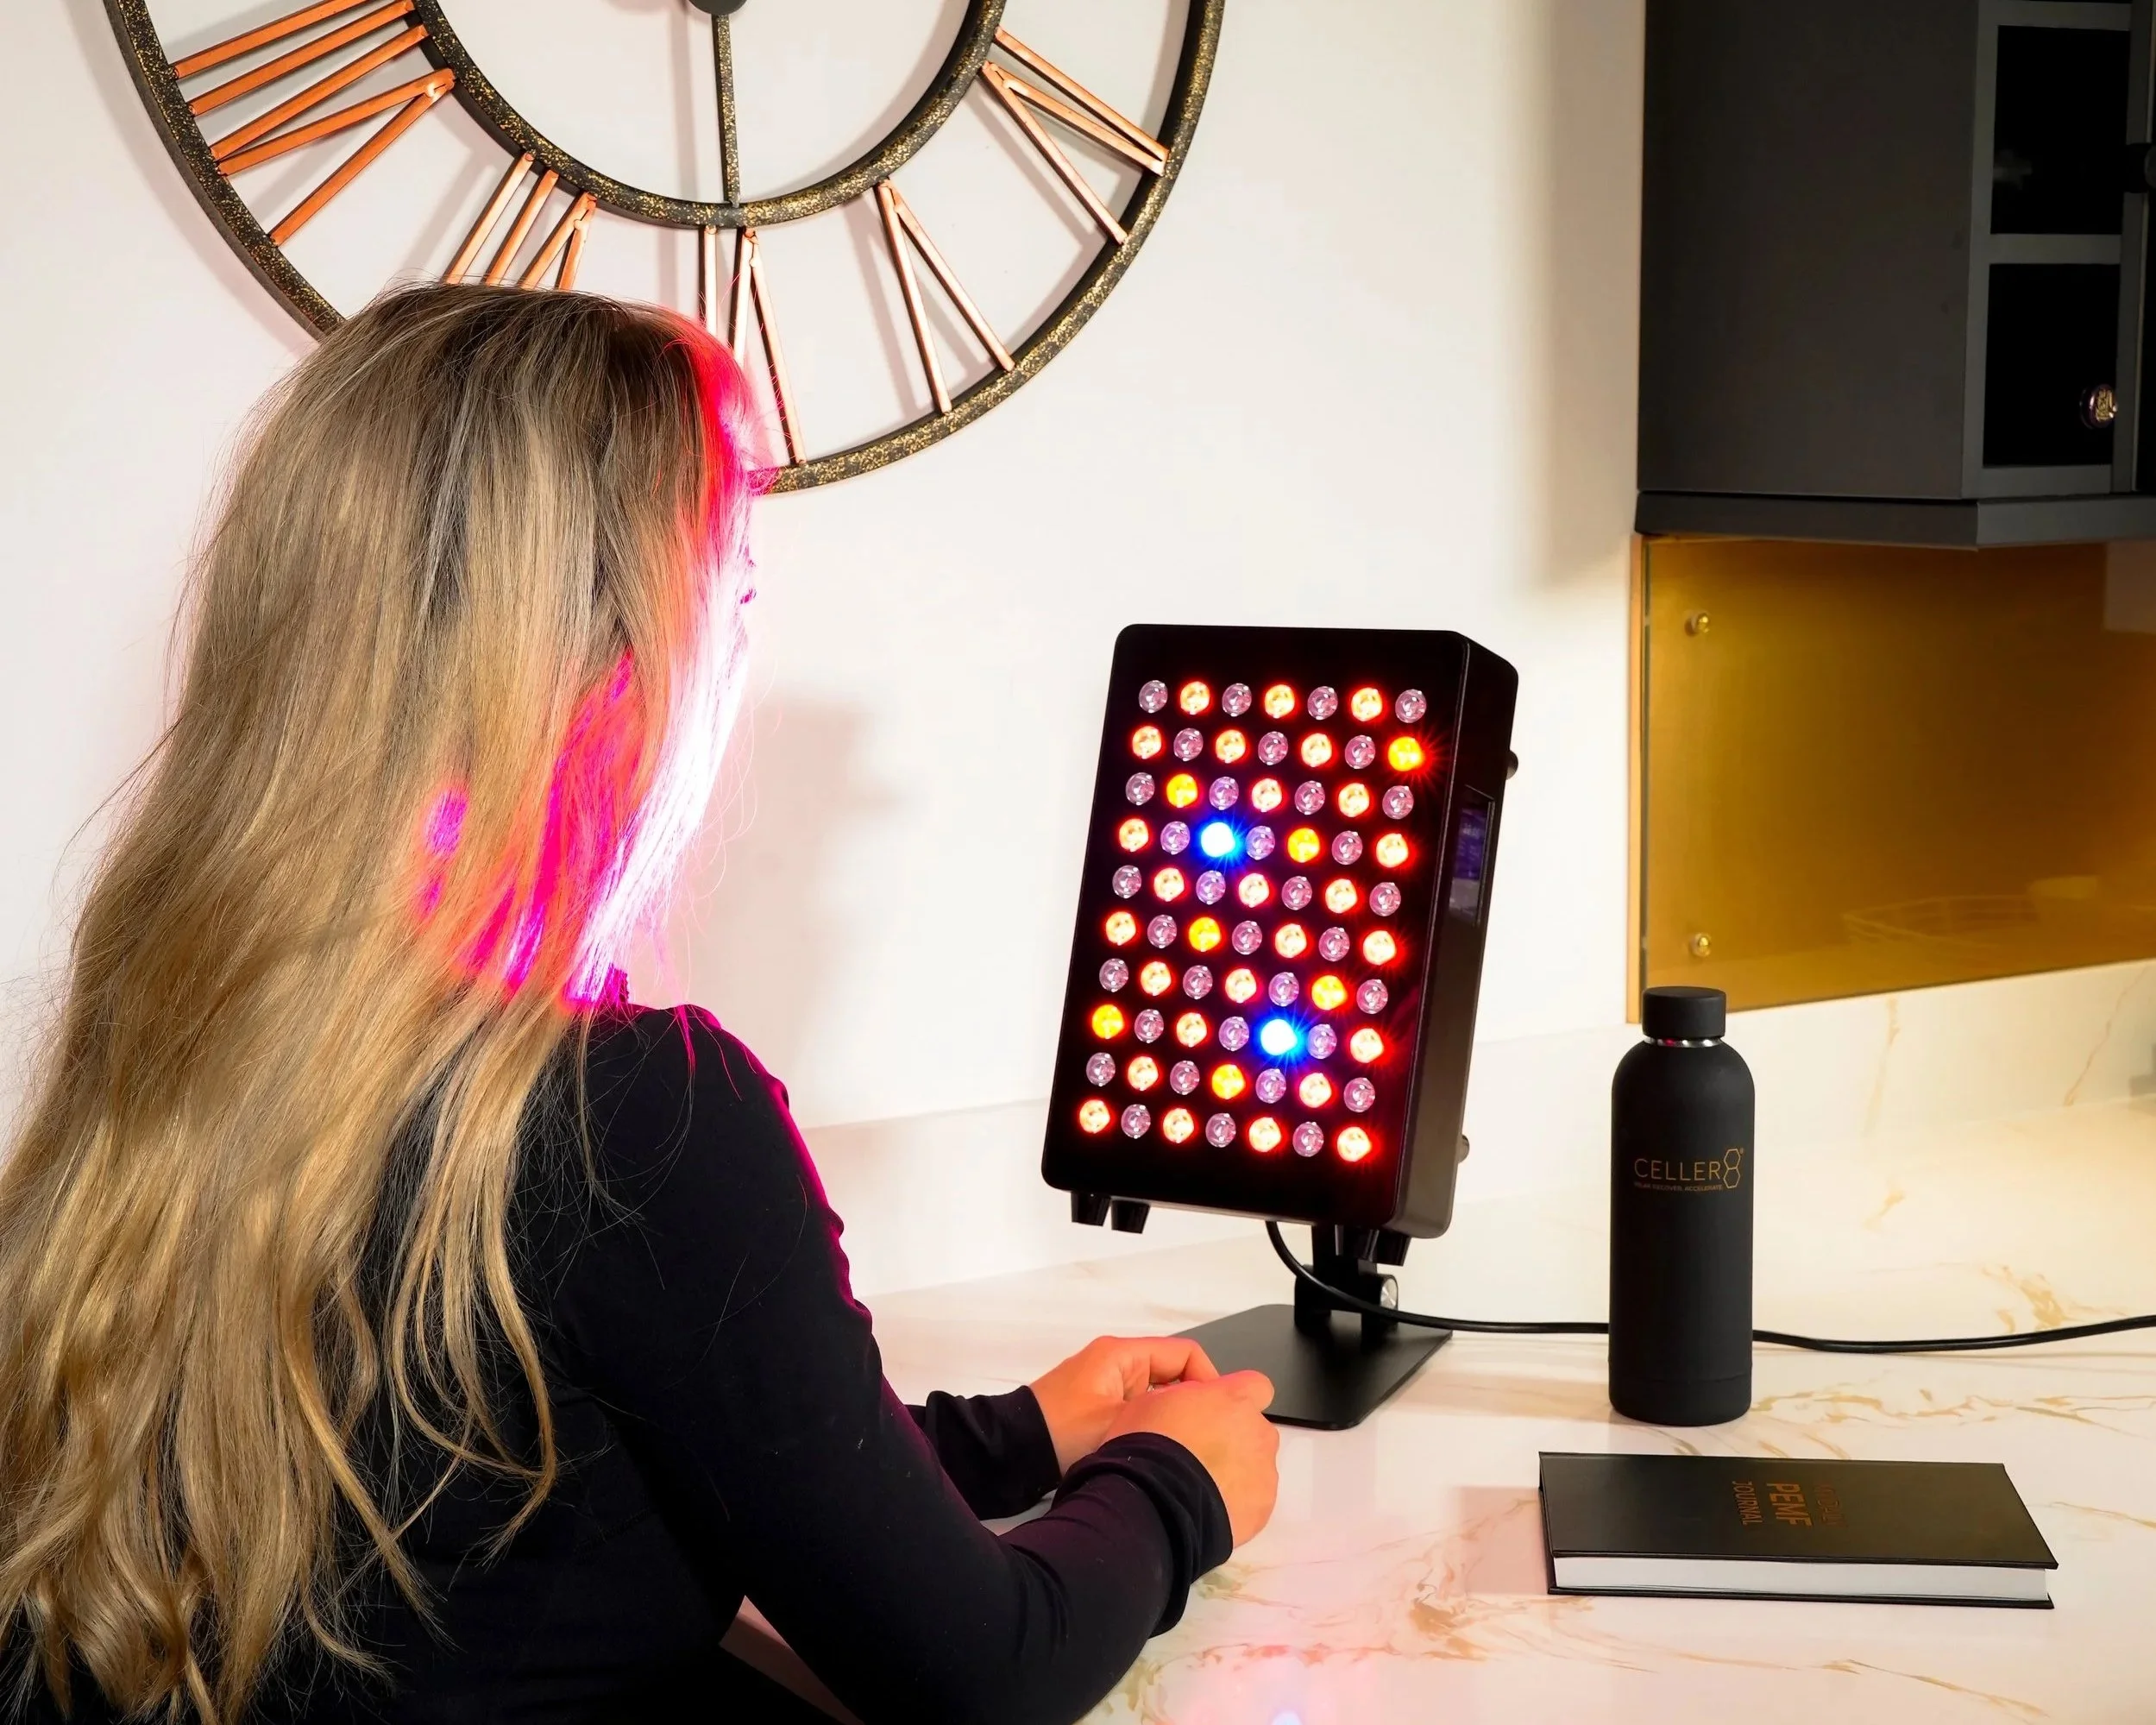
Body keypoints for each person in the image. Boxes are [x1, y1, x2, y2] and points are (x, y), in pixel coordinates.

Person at [0, 286, 1279, 1725]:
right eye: (732, 587)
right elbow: (984, 1672)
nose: (743, 639)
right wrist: (1177, 1482)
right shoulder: (630, 1115)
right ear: (608, 658)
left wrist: (1016, 1436)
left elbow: (579, 1455)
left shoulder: (184, 1013)